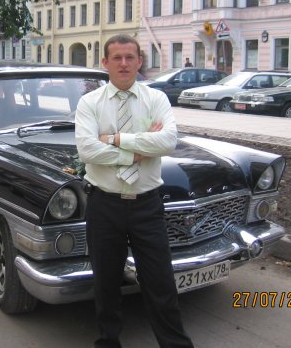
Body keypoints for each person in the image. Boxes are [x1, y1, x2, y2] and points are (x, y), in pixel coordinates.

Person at [75, 34, 193, 348]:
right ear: (105, 63)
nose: (124, 64)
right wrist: (138, 151)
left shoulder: (156, 99)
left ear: (140, 61)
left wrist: (115, 140)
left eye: (130, 57)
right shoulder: (90, 103)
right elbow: (87, 150)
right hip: (105, 205)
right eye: (117, 58)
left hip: (147, 206)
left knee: (160, 282)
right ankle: (108, 342)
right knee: (106, 283)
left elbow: (168, 141)